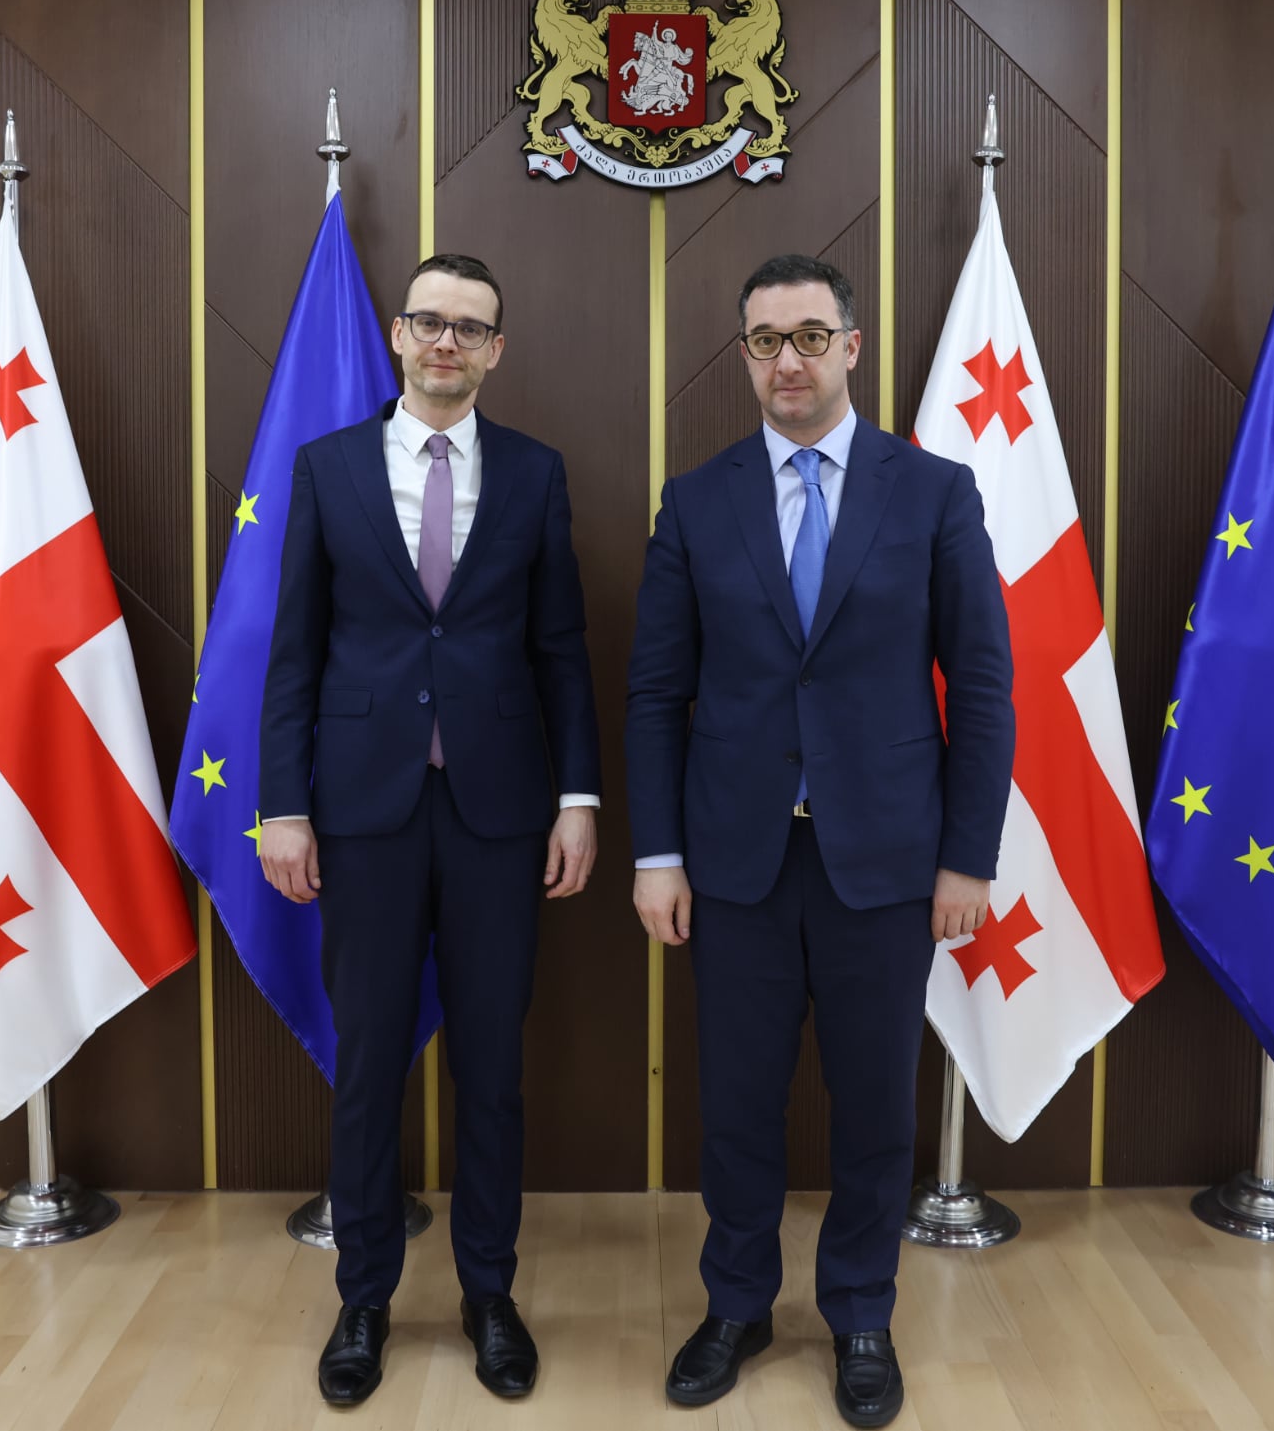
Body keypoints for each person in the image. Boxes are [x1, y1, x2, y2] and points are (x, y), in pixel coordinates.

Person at [625, 255, 1015, 1428]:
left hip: (885, 861)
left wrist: (968, 854)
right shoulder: (695, 500)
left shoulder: (932, 491)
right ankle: (736, 1304)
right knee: (736, 1103)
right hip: (734, 861)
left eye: (806, 335)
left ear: (850, 344)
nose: (784, 360)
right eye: (763, 340)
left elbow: (981, 685)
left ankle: (858, 1312)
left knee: (874, 1107)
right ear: (742, 354)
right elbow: (654, 694)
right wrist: (656, 853)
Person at [259, 253, 603, 1406]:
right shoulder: (328, 467)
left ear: (495, 350)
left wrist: (578, 796)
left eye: (468, 326)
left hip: (500, 814)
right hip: (362, 812)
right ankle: (363, 1295)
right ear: (400, 336)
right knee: (367, 1064)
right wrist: (283, 803)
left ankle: (488, 1291)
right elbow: (293, 652)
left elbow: (561, 650)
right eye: (427, 321)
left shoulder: (535, 473)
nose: (445, 340)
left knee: (491, 1068)